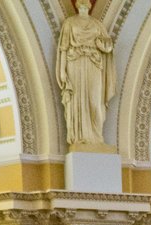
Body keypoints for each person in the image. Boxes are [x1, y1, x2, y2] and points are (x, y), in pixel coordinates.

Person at [56, 0, 116, 147]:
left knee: (95, 101)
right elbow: (63, 48)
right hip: (74, 63)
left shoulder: (97, 25)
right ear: (77, 6)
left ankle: (96, 137)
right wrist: (62, 70)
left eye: (86, 5)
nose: (83, 7)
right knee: (77, 99)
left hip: (94, 64)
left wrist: (103, 45)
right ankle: (79, 137)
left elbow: (108, 46)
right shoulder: (69, 23)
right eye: (81, 5)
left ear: (89, 6)